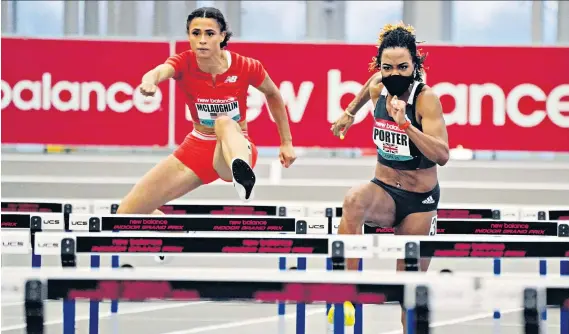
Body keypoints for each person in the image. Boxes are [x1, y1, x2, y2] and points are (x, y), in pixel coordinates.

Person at [328, 22, 449, 331]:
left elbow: (442, 155)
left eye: (403, 67)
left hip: (418, 202)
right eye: (388, 67)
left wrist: (406, 125)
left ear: (415, 65)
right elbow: (370, 84)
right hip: (383, 191)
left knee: (407, 290)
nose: (394, 74)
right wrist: (349, 113)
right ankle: (347, 295)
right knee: (353, 200)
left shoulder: (425, 100)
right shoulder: (378, 85)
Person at [117, 7, 296, 215]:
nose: (202, 40)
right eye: (196, 33)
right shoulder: (183, 62)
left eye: (209, 34)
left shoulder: (246, 66)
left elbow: (273, 94)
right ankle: (172, 233)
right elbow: (160, 71)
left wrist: (286, 142)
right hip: (197, 148)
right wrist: (149, 81)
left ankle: (243, 176)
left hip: (234, 146)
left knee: (224, 122)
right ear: (189, 37)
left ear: (222, 36)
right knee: (127, 213)